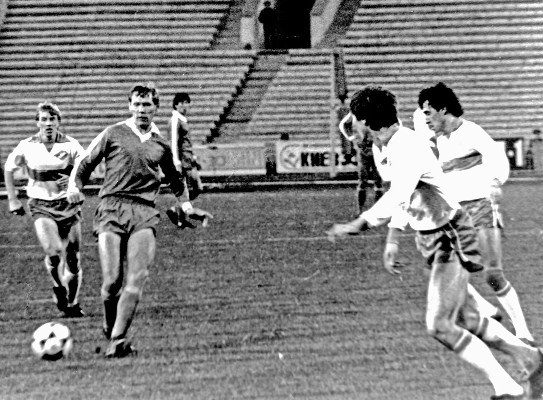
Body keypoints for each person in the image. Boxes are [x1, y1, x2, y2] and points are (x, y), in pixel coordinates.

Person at [327, 85, 543, 400]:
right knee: (467, 318)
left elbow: (399, 193)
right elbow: (405, 195)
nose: (352, 125)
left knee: (440, 325)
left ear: (367, 120)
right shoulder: (385, 143)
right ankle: (531, 360)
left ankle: (508, 386)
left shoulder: (406, 146)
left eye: (356, 119)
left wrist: (361, 222)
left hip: (450, 237)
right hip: (431, 237)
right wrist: (393, 238)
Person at [67, 83, 213, 358]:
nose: (141, 109)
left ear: (156, 108)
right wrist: (74, 188)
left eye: (147, 105)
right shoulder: (113, 133)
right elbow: (85, 163)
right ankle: (110, 326)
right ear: (129, 106)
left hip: (144, 212)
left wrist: (187, 206)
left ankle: (118, 339)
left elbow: (175, 179)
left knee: (136, 278)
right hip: (111, 208)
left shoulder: (160, 143)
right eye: (136, 104)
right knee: (112, 283)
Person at [417, 82, 536, 346]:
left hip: (480, 207)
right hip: (454, 213)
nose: (425, 119)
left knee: (493, 274)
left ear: (443, 109)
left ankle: (523, 333)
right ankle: (486, 308)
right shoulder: (438, 140)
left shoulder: (470, 132)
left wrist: (495, 182)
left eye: (428, 113)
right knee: (440, 266)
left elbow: (497, 158)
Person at [4, 101, 85, 318]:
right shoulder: (27, 146)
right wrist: (13, 200)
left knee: (73, 258)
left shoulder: (71, 144)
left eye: (52, 119)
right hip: (41, 206)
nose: (48, 123)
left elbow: (86, 166)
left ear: (59, 122)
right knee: (54, 251)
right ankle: (58, 286)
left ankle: (73, 303)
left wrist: (74, 180)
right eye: (44, 119)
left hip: (68, 205)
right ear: (37, 123)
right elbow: (9, 168)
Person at [339, 108, 386, 213]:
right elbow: (343, 124)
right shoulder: (356, 110)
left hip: (377, 149)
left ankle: (378, 211)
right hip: (363, 150)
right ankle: (360, 210)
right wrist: (350, 137)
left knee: (378, 181)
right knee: (363, 180)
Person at [165, 92, 203, 202]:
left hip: (189, 160)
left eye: (186, 103)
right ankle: (181, 209)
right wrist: (176, 162)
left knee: (197, 188)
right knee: (188, 189)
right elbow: (173, 142)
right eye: (181, 103)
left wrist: (193, 157)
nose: (184, 105)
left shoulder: (183, 120)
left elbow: (186, 142)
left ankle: (179, 208)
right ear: (176, 105)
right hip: (182, 162)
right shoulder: (175, 120)